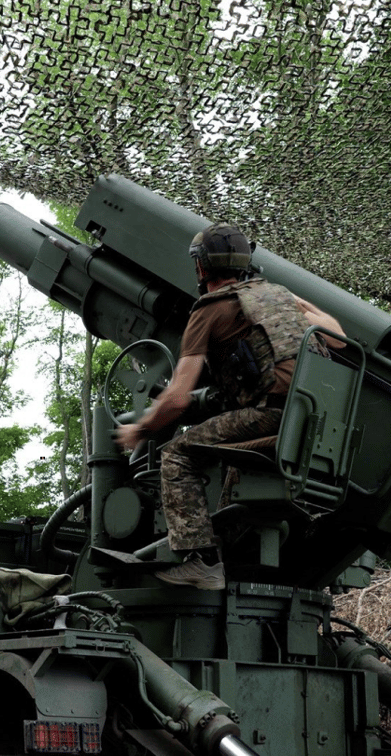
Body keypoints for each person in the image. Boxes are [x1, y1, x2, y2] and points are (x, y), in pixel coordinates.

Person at [115, 223, 345, 590]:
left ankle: (202, 561)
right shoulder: (278, 297)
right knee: (231, 463)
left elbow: (177, 397)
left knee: (177, 454)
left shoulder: (208, 310)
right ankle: (229, 552)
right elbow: (339, 338)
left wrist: (141, 429)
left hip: (270, 415)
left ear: (201, 267)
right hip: (311, 420)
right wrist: (294, 300)